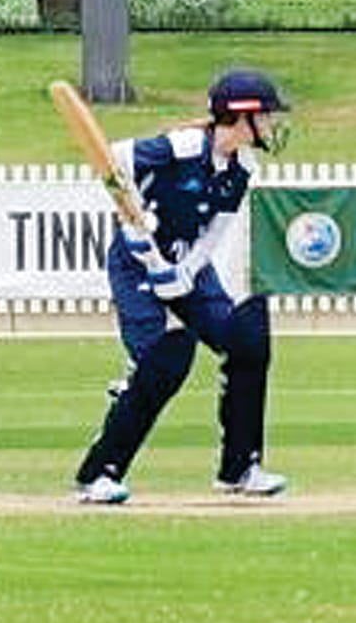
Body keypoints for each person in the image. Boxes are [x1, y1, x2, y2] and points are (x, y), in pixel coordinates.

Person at [74, 69, 292, 505]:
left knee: (246, 340)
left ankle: (240, 467)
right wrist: (134, 224)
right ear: (240, 116)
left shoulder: (242, 166)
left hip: (188, 266)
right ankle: (99, 474)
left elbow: (215, 232)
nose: (269, 125)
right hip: (136, 265)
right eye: (264, 116)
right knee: (163, 363)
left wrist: (185, 271)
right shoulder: (185, 145)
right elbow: (112, 159)